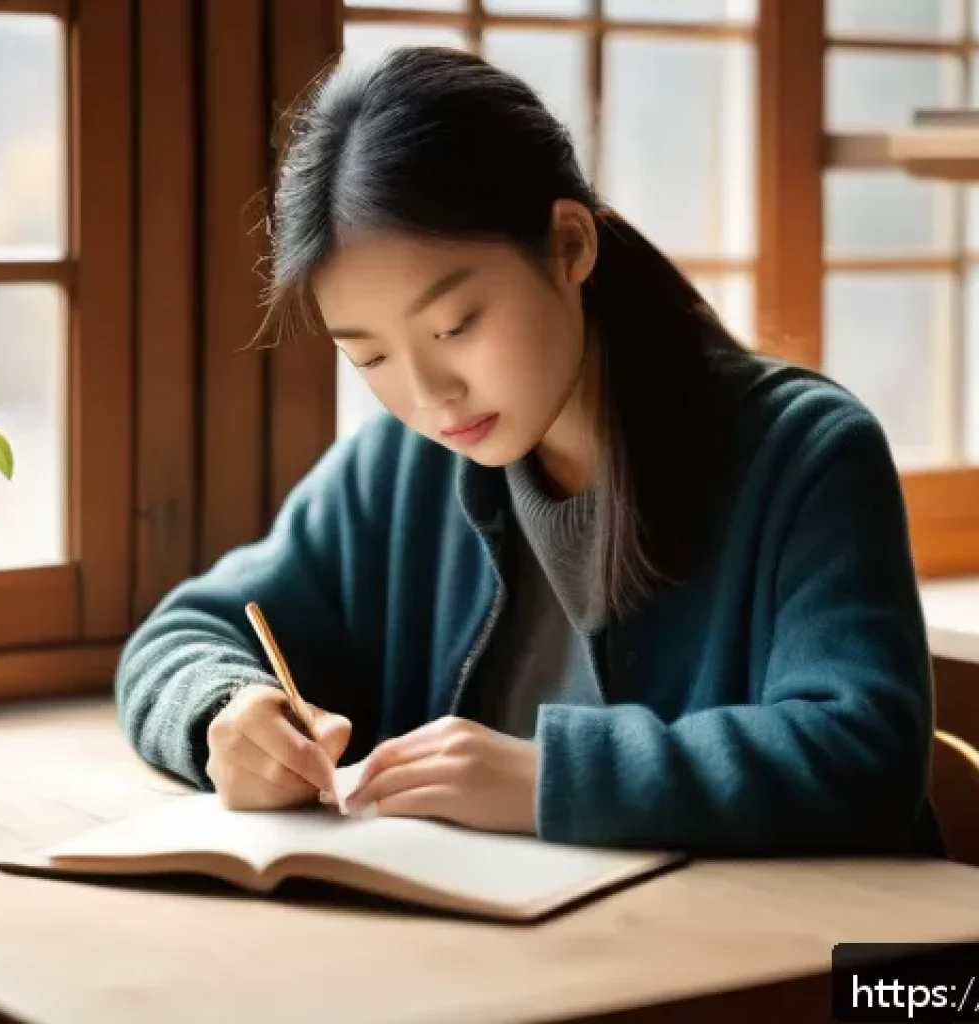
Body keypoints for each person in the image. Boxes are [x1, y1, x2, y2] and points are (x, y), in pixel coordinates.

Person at [115, 45, 942, 856]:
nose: (429, 394)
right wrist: (227, 713)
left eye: (454, 327)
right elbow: (179, 636)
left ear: (570, 245)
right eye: (369, 356)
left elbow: (863, 752)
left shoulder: (804, 454)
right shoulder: (403, 471)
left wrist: (548, 777)